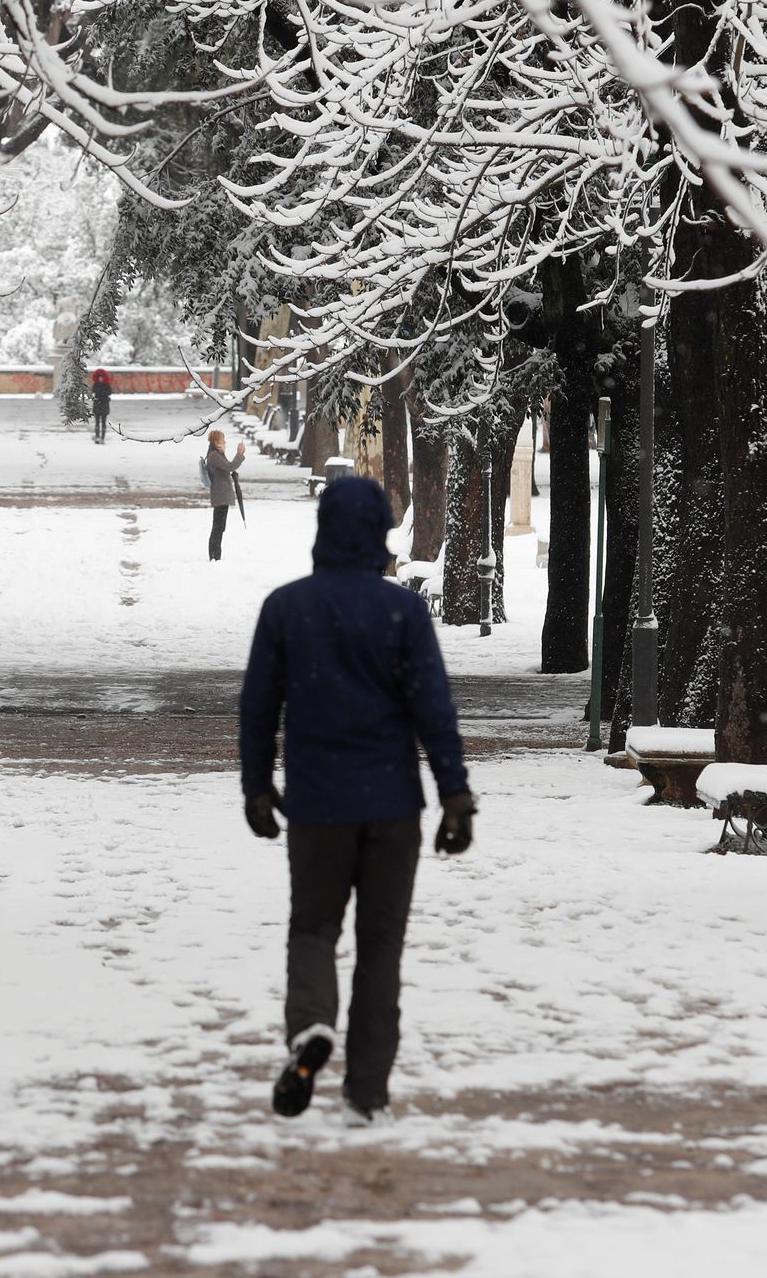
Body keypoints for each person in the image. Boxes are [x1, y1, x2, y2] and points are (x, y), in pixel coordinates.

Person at [238, 476, 474, 1127]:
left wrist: (256, 786)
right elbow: (433, 707)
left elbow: (259, 707)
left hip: (317, 806)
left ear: (322, 530)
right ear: (380, 535)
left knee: (313, 928)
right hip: (392, 806)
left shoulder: (286, 608)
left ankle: (311, 1024)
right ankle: (366, 1091)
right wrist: (454, 794)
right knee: (380, 948)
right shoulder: (401, 612)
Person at [205, 429, 245, 561]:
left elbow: (228, 468)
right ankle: (214, 556)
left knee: (220, 527)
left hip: (222, 495)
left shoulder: (218, 454)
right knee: (218, 527)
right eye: (223, 440)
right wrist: (239, 453)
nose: (225, 442)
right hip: (220, 495)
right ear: (216, 442)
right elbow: (230, 466)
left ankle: (216, 556)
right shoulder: (214, 456)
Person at [90, 368, 113, 445]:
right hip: (97, 405)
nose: (100, 379)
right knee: (97, 423)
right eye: (99, 377)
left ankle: (102, 438)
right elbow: (93, 391)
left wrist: (101, 392)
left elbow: (109, 392)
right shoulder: (95, 384)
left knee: (103, 422)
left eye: (101, 377)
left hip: (104, 405)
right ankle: (97, 437)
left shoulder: (107, 384)